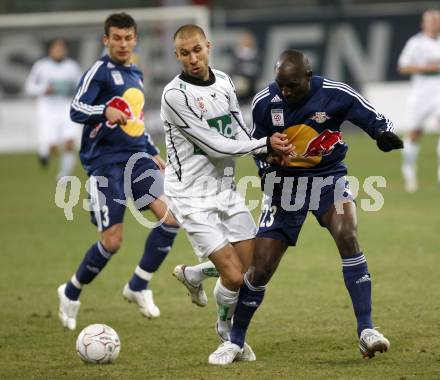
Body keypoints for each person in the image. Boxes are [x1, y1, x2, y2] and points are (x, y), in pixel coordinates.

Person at [218, 50, 403, 364]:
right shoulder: (266, 101)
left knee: (348, 234)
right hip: (284, 185)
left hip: (327, 178)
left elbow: (371, 116)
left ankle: (367, 330)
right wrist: (267, 164)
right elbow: (255, 146)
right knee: (261, 268)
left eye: (292, 86)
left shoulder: (335, 93)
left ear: (308, 77)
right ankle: (234, 342)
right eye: (281, 86)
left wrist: (382, 134)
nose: (285, 92)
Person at [56, 13, 208, 330]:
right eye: (116, 38)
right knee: (112, 241)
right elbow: (75, 108)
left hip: (136, 157)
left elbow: (135, 119)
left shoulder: (135, 72)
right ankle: (70, 292)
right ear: (106, 40)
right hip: (104, 163)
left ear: (134, 40)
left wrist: (152, 150)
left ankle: (138, 284)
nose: (123, 44)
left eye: (128, 38)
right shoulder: (98, 72)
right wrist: (103, 110)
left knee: (170, 217)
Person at [160, 25, 292, 364]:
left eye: (197, 50)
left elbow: (237, 128)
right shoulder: (175, 96)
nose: (192, 58)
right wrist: (263, 144)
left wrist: (265, 157)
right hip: (190, 195)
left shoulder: (224, 81)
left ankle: (193, 274)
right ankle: (226, 330)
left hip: (226, 189)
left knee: (251, 274)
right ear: (177, 55)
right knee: (233, 276)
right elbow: (214, 144)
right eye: (185, 53)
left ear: (208, 46)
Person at [25, 39, 82, 180]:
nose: (59, 52)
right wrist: (45, 89)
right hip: (48, 109)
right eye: (56, 49)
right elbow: (29, 87)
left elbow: (81, 85)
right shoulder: (41, 66)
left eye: (61, 49)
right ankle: (44, 152)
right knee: (51, 146)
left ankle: (64, 175)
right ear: (50, 50)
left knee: (70, 142)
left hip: (66, 108)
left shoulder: (72, 66)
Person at [397, 9, 440, 192]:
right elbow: (402, 67)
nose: (434, 23)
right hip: (421, 93)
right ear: (423, 23)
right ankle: (409, 171)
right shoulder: (416, 43)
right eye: (431, 20)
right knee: (415, 133)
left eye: (437, 20)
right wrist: (426, 67)